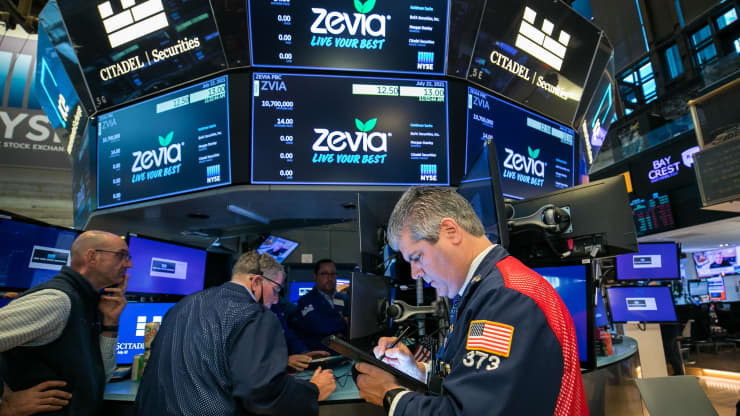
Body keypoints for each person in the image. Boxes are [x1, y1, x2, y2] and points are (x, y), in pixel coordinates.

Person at [354, 186, 587, 415]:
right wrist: (417, 372)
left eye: (417, 257)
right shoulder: (487, 288)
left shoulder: (506, 298)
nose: (415, 273)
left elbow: (468, 410)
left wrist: (390, 395)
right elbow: (476, 380)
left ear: (450, 231)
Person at [136, 251, 336, 415]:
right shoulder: (254, 315)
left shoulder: (183, 305)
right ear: (257, 282)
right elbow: (259, 394)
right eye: (275, 290)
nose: (275, 300)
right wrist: (313, 390)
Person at [0, 230, 130, 415]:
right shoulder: (57, 300)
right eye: (122, 256)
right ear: (92, 256)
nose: (129, 264)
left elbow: (103, 375)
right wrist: (6, 402)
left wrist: (110, 323)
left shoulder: (89, 301)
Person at [292, 259, 349, 352]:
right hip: (319, 355)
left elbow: (352, 328)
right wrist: (343, 321)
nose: (329, 278)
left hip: (344, 354)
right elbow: (320, 325)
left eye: (333, 274)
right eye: (324, 274)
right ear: (315, 276)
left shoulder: (344, 298)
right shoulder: (305, 301)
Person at [271, 303, 330, 372]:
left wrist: (303, 353)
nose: (276, 299)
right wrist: (282, 361)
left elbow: (288, 336)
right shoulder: (257, 314)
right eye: (274, 292)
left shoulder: (274, 308)